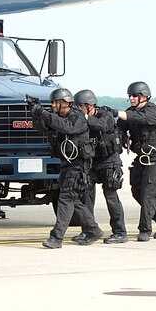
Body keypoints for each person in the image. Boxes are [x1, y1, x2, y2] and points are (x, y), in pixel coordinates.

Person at [29, 88, 103, 249]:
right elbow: (42, 127)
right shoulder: (56, 117)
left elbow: (67, 127)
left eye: (57, 102)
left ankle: (56, 238)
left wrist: (44, 113)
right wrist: (35, 112)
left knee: (65, 199)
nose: (54, 105)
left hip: (78, 165)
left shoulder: (77, 117)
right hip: (67, 164)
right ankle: (93, 229)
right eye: (53, 103)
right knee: (74, 201)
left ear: (66, 103)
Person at [117, 81, 156, 242]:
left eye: (135, 95)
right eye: (130, 96)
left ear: (144, 96)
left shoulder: (154, 111)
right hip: (142, 157)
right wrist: (123, 137)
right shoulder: (130, 112)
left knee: (149, 193)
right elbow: (120, 126)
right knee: (137, 191)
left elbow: (141, 118)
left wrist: (118, 112)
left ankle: (145, 229)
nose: (132, 99)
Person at [71, 89, 127, 244]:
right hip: (92, 163)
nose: (79, 110)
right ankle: (88, 230)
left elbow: (101, 126)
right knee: (85, 196)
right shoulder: (82, 118)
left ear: (90, 106)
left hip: (110, 162)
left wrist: (85, 118)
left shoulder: (105, 115)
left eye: (80, 106)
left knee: (111, 197)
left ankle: (120, 232)